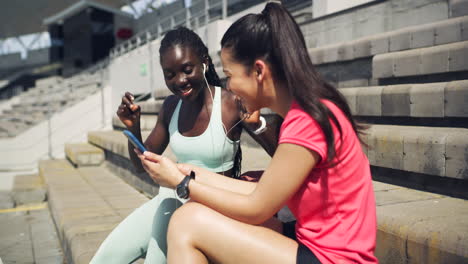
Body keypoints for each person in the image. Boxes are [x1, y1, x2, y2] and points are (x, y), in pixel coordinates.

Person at [137, 3, 378, 264]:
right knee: (209, 207)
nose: (229, 85)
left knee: (187, 221)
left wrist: (182, 184)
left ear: (259, 71)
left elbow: (256, 207)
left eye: (230, 75)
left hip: (334, 258)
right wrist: (187, 172)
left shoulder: (307, 122)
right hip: (313, 245)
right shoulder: (309, 111)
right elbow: (257, 192)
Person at [90, 27, 281, 264]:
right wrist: (133, 126)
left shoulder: (230, 103)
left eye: (186, 70)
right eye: (170, 74)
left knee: (156, 256)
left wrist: (259, 123)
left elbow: (281, 155)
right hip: (171, 197)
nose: (179, 81)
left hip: (213, 206)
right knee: (106, 257)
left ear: (205, 63)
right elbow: (141, 165)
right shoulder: (171, 106)